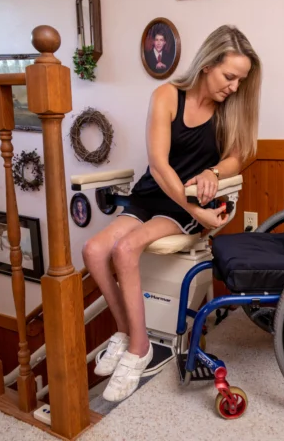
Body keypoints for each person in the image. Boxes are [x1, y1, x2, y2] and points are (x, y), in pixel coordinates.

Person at [82, 24, 261, 402]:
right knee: (94, 251)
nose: (233, 87)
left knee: (126, 249)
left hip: (187, 205)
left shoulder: (229, 111)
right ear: (208, 64)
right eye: (229, 76)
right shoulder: (166, 95)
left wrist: (212, 174)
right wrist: (188, 200)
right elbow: (159, 166)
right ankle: (126, 331)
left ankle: (139, 348)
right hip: (158, 193)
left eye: (240, 81)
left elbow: (238, 157)